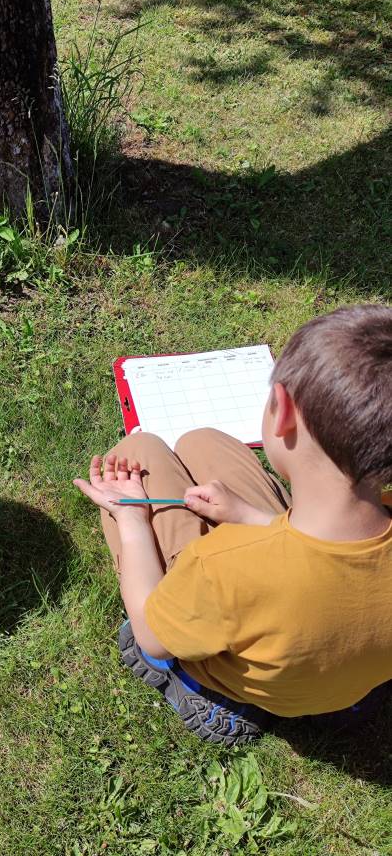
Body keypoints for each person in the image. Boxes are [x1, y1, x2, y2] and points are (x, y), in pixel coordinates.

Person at [74, 306, 392, 745]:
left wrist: (131, 519)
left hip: (251, 679)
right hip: (347, 676)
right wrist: (249, 517)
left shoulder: (218, 568)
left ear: (282, 411)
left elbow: (151, 636)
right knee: (202, 440)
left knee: (138, 449)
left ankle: (209, 695)